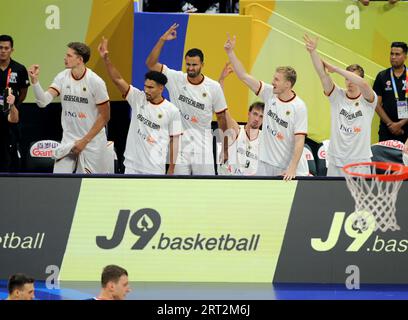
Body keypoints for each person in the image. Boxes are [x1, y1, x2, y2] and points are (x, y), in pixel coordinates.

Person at [146, 23, 229, 175]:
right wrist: (162, 40)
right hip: (179, 146)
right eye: (188, 64)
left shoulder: (213, 87)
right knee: (178, 190)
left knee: (204, 190)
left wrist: (225, 149)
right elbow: (150, 64)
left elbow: (222, 119)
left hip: (203, 147)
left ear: (202, 64)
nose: (190, 68)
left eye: (194, 65)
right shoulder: (175, 78)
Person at [224, 34, 308, 180]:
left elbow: (300, 141)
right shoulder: (269, 93)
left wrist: (292, 168)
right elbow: (243, 76)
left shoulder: (299, 107)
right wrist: (231, 53)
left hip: (287, 167)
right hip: (265, 163)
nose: (272, 81)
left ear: (287, 84)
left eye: (276, 79)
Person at [98, 37, 182, 174]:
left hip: (155, 169)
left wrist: (171, 168)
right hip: (131, 167)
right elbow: (117, 80)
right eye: (145, 86)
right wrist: (106, 60)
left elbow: (174, 141)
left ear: (161, 88)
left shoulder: (172, 111)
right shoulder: (138, 98)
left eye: (151, 87)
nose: (146, 90)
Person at [28, 42, 110, 174]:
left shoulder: (95, 82)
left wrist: (84, 141)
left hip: (92, 143)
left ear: (80, 59)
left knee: (91, 187)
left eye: (69, 55)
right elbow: (42, 102)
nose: (65, 58)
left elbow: (105, 116)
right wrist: (35, 81)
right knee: (60, 182)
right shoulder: (62, 77)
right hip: (69, 141)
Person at [304, 35, 377, 177]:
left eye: (351, 78)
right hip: (336, 160)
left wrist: (337, 69)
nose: (349, 82)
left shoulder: (368, 100)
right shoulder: (337, 96)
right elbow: (322, 74)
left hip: (359, 162)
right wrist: (313, 52)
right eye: (346, 78)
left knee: (357, 199)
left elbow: (364, 84)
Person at [217, 62, 263, 175]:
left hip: (253, 186)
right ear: (248, 113)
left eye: (261, 116)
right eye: (255, 114)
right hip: (230, 181)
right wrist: (221, 80)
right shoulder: (236, 130)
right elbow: (223, 110)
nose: (257, 119)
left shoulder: (264, 139)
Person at [0, 35, 30, 172]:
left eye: (6, 48)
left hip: (12, 116)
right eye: (0, 48)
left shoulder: (19, 69)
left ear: (12, 50)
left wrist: (14, 105)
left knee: (11, 153)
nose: (3, 51)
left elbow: (23, 92)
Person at [373, 41, 408, 143]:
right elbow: (376, 104)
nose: (393, 57)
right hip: (387, 129)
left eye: (397, 54)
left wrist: (400, 124)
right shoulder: (382, 76)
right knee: (383, 158)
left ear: (405, 56)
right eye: (391, 54)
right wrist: (391, 124)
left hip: (406, 129)